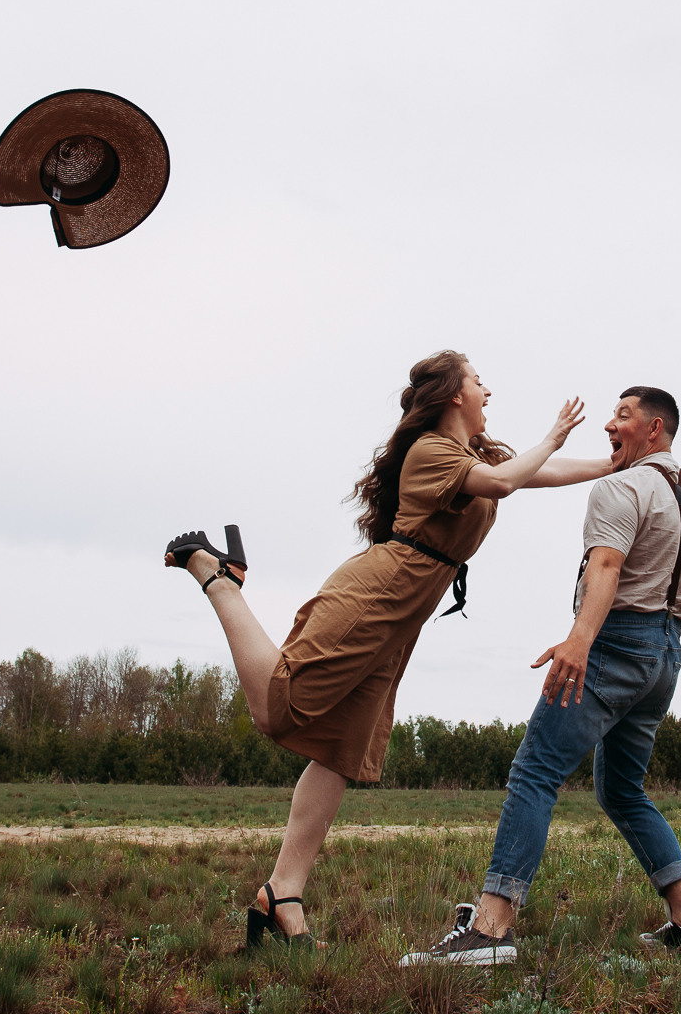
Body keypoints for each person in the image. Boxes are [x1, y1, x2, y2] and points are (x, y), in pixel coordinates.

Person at [162, 350, 614, 947]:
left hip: (403, 615)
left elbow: (534, 475)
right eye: (479, 382)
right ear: (455, 394)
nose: (487, 390)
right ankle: (219, 577)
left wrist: (613, 464)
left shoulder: (475, 457)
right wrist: (553, 435)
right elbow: (508, 480)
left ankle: (282, 894)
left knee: (340, 750)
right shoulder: (432, 451)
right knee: (278, 707)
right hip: (376, 595)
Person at [402, 385, 681, 966]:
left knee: (535, 771)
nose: (610, 425)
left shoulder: (620, 487)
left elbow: (606, 567)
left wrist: (578, 643)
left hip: (614, 645)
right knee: (621, 790)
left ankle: (490, 930)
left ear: (654, 429)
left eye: (622, 416)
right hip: (665, 655)